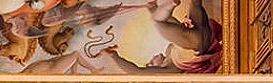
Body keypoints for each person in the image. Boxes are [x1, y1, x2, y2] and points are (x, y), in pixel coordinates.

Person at [79, 0, 222, 73]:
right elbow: (135, 71)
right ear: (155, 67)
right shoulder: (171, 69)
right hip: (199, 41)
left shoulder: (172, 54)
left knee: (195, 3)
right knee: (156, 21)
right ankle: (171, 3)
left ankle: (170, 5)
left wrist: (153, 9)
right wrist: (113, 57)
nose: (152, 58)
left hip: (202, 34)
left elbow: (176, 28)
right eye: (150, 63)